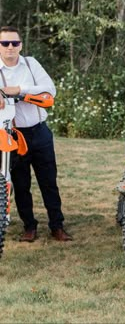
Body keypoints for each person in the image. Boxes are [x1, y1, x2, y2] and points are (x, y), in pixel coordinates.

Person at [0, 26, 72, 242]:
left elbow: (50, 90)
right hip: (12, 134)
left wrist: (19, 89)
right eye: (5, 43)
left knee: (48, 181)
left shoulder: (31, 64)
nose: (10, 47)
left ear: (21, 45)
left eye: (14, 43)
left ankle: (57, 226)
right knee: (21, 184)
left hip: (39, 131)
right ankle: (29, 227)